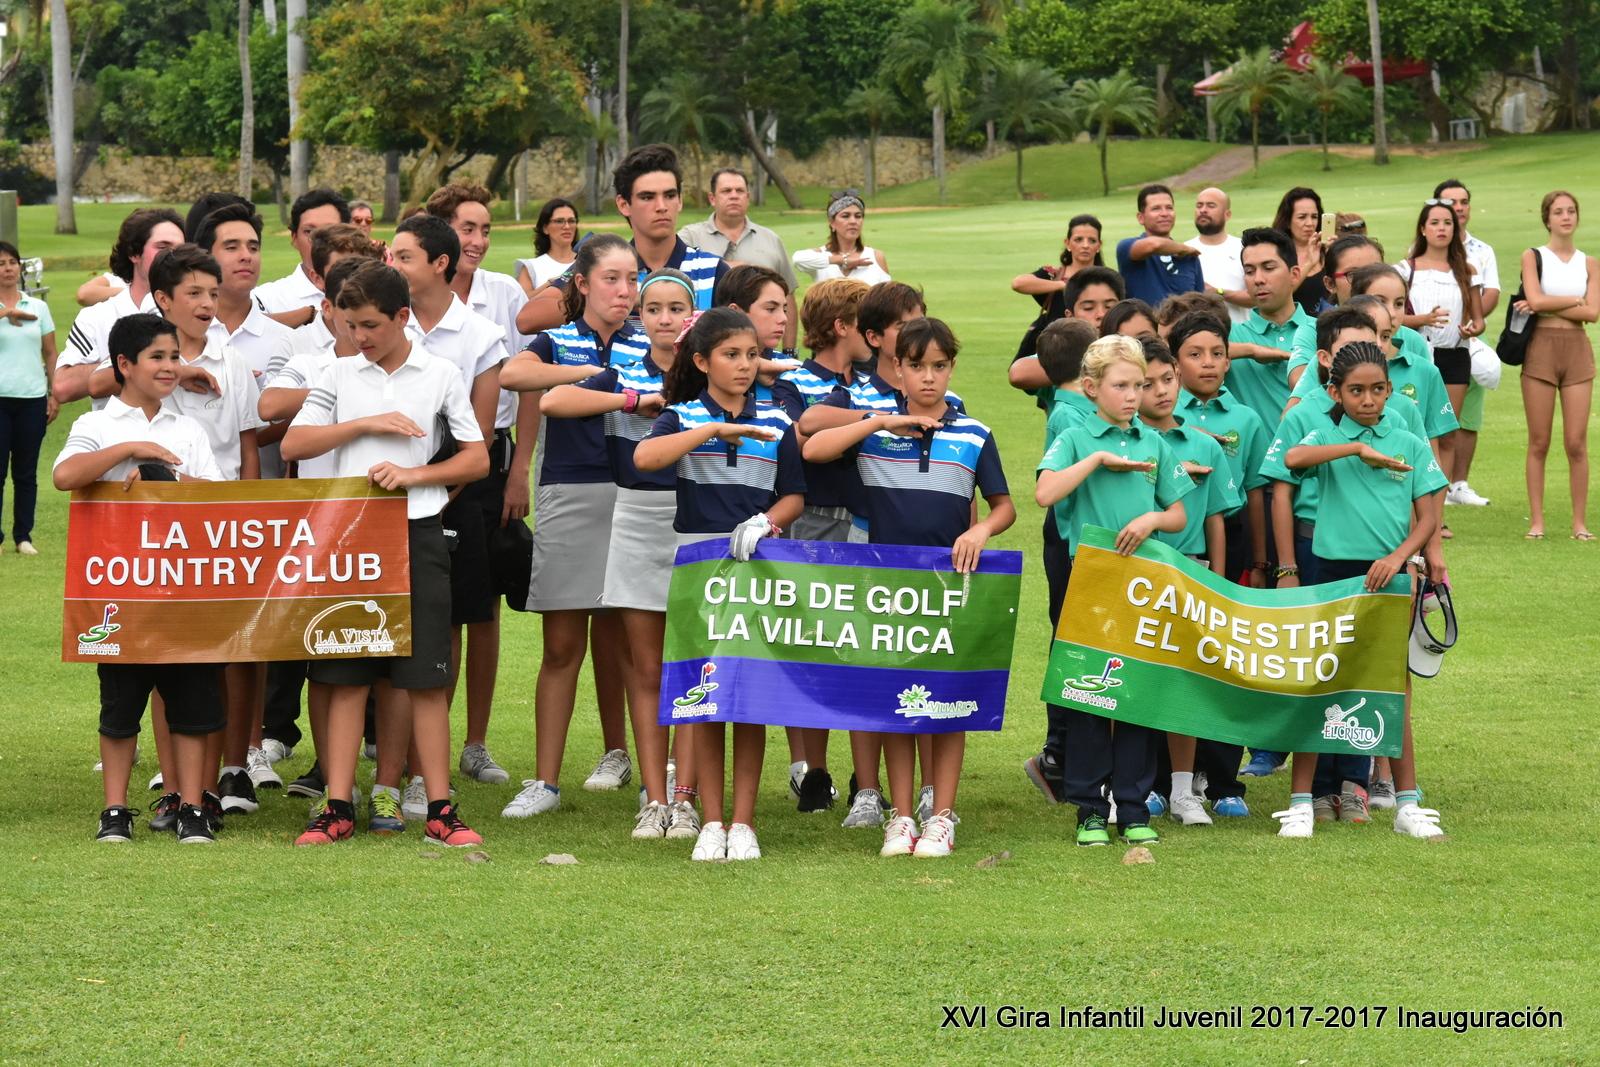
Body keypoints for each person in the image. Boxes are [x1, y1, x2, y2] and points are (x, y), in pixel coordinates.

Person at [282, 260, 490, 847]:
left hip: (418, 534)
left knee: (424, 678)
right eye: (350, 326)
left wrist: (414, 474)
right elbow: (295, 442)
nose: (359, 336)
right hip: (349, 540)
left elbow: (476, 459)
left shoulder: (441, 373)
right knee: (346, 675)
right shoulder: (337, 373)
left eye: (370, 325)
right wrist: (364, 424)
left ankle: (441, 810)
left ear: (402, 317)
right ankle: (337, 807)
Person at [803, 317, 1014, 858]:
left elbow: (1004, 507)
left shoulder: (974, 433)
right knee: (892, 702)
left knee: (947, 702)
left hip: (947, 588)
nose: (928, 377)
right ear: (897, 369)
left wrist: (980, 530)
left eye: (939, 366)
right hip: (886, 588)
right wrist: (879, 421)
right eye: (916, 366)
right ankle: (900, 817)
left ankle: (941, 817)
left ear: (952, 369)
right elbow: (814, 449)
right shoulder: (876, 430)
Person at [635, 307, 806, 861]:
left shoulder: (777, 420)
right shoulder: (682, 415)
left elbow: (794, 495)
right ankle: (710, 820)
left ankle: (743, 823)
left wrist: (767, 523)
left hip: (757, 565)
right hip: (699, 568)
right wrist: (711, 430)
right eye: (731, 355)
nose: (745, 364)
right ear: (703, 361)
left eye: (752, 355)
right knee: (705, 694)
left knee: (749, 695)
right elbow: (645, 458)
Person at [53, 313, 226, 844]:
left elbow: (220, 500)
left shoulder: (188, 429)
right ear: (124, 365)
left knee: (191, 705)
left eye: (174, 357)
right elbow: (65, 475)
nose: (170, 367)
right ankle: (115, 809)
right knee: (120, 706)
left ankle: (192, 807)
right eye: (158, 357)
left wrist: (167, 478)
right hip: (120, 596)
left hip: (183, 593)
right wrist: (131, 449)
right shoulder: (98, 426)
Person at [542, 269, 697, 840]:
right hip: (634, 519)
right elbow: (554, 399)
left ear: (691, 316)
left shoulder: (707, 370)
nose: (664, 319)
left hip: (694, 522)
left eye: (676, 308)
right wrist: (632, 399)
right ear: (642, 316)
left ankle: (684, 794)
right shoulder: (625, 370)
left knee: (691, 667)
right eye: (653, 309)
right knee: (646, 666)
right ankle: (655, 798)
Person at [499, 234, 650, 818]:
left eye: (631, 279)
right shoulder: (557, 339)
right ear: (581, 284)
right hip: (569, 491)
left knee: (635, 644)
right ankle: (545, 782)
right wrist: (591, 371)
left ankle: (651, 779)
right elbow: (514, 374)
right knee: (563, 645)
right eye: (611, 278)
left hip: (640, 497)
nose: (624, 290)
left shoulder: (650, 339)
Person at [1277, 341, 1447, 841]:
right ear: (1336, 392)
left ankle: (1408, 803)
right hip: (1332, 573)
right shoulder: (1326, 434)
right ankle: (1301, 803)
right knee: (1320, 680)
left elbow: (1428, 516)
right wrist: (1354, 448)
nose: (1368, 399)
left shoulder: (1409, 440)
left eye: (1377, 389)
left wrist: (1399, 558)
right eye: (1356, 391)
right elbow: (1293, 457)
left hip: (1389, 576)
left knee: (1393, 685)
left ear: (1390, 390)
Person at [1034, 335, 1193, 847]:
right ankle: (1088, 809)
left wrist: (1151, 520)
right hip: (1091, 581)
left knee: (1135, 696)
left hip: (1141, 586)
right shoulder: (1075, 436)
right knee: (1089, 694)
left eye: (1138, 386)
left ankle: (1132, 806)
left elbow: (1179, 512)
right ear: (1090, 387)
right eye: (1121, 386)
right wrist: (1098, 458)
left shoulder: (1153, 442)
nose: (1132, 396)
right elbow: (1045, 492)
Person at [425, 183, 538, 787]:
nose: (478, 240)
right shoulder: (414, 296)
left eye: (486, 229)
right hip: (429, 458)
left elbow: (528, 386)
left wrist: (518, 471)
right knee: (438, 607)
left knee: (485, 604)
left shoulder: (505, 294)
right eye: (467, 228)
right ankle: (427, 748)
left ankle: (476, 743)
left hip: (492, 461)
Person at [770, 277, 875, 811]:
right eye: (866, 324)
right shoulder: (793, 383)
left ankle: (866, 778)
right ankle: (814, 772)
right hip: (811, 521)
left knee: (863, 644)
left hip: (868, 521)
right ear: (842, 326)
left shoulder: (876, 382)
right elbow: (799, 442)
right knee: (810, 642)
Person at [1137, 335, 1244, 826]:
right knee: (1143, 683)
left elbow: (1217, 516)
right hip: (1140, 573)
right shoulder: (1127, 443)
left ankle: (1184, 789)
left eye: (1167, 379)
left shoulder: (1204, 444)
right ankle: (1145, 786)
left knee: (1188, 684)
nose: (1161, 391)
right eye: (1147, 383)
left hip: (1193, 571)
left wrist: (1216, 578)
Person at [517, 145, 729, 335]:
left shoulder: (713, 271)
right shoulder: (600, 266)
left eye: (670, 195)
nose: (661, 206)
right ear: (623, 204)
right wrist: (611, 298)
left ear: (680, 201)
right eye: (647, 197)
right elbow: (527, 320)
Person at [1020, 316, 1097, 806]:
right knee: (1071, 644)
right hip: (1074, 541)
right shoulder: (1071, 416)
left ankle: (1065, 754)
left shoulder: (1068, 403)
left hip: (1077, 539)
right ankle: (1057, 756)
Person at [190, 201, 298, 489]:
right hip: (183, 495)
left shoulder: (285, 339)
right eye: (231, 247)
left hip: (265, 498)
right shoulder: (179, 334)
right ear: (205, 257)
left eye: (253, 247)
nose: (246, 256)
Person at [1169, 312, 1271, 588]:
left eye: (1217, 354)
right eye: (1195, 355)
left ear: (1228, 362)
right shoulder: (1164, 414)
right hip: (1174, 532)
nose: (1208, 363)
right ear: (1175, 364)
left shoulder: (1247, 419)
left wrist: (1259, 563)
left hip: (1231, 532)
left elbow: (1255, 491)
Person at [1518, 190, 1597, 541]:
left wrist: (1551, 303)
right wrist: (1574, 300)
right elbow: (1534, 300)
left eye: (1571, 211)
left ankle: (1579, 523)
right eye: (1558, 212)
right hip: (1541, 349)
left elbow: (1592, 312)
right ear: (1547, 219)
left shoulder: (1589, 263)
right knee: (1539, 441)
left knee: (1576, 442)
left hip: (1577, 350)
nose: (1566, 217)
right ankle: (1537, 521)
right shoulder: (1533, 256)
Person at [1394, 199, 1485, 483]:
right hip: (1416, 355)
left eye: (1447, 223)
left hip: (1455, 355)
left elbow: (1479, 320)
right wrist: (1423, 319)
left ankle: (1439, 499)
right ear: (1423, 229)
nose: (1441, 228)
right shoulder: (1405, 269)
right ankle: (1414, 494)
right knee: (1416, 428)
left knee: (1446, 432)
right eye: (1434, 223)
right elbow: (1391, 317)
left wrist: (1471, 329)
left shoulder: (1466, 270)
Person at [54, 209, 184, 405]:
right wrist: (135, 362)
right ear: (134, 253)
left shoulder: (199, 313)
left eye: (181, 249)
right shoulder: (97, 316)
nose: (174, 256)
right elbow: (63, 387)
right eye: (163, 247)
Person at [680, 168, 800, 352]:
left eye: (740, 191)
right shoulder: (689, 237)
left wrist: (789, 352)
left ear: (748, 197)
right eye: (726, 191)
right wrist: (732, 267)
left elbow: (788, 297)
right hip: (705, 348)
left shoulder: (771, 240)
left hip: (762, 350)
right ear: (712, 198)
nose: (734, 196)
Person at [1434, 179, 1498, 507]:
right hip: (1434, 337)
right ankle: (1436, 485)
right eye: (1451, 203)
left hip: (1471, 335)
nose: (1458, 208)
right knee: (1435, 412)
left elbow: (1492, 293)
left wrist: (1471, 318)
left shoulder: (1482, 251)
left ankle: (1459, 485)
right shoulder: (1421, 250)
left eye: (1463, 202)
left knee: (1469, 413)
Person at [0, 240, 57, 558]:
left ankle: (23, 536)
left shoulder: (38, 307)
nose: (8, 268)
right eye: (1, 263)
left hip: (32, 399)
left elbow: (50, 352)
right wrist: (6, 313)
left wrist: (54, 392)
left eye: (12, 262)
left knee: (25, 473)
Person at [1226, 227, 1316, 431]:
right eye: (1249, 271)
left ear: (1294, 275)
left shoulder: (1324, 331)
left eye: (1268, 268)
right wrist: (1251, 350)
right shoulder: (1231, 336)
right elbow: (1178, 356)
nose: (1258, 279)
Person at [1010, 265, 1124, 382]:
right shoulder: (1065, 350)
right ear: (1070, 316)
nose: (1101, 314)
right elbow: (1018, 374)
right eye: (1088, 308)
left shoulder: (1129, 345)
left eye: (1109, 306)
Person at [254, 188, 352, 324]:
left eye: (330, 230)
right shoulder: (267, 299)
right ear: (294, 238)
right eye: (309, 231)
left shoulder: (372, 292)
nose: (319, 240)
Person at [1012, 214, 1106, 336]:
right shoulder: (1053, 275)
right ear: (1067, 243)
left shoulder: (1108, 280)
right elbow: (1018, 283)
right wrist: (1063, 285)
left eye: (1092, 240)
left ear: (1099, 245)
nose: (1085, 245)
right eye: (1078, 240)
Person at [1115, 184, 1202, 308]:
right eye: (1156, 208)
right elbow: (1154, 245)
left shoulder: (1189, 258)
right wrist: (1184, 248)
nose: (1165, 213)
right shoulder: (1128, 247)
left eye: (1169, 208)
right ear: (1141, 218)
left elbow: (1200, 303)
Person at [792, 189, 890, 285]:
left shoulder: (876, 256)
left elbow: (888, 293)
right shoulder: (821, 256)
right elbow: (797, 259)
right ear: (832, 223)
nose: (853, 221)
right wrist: (842, 260)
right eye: (845, 216)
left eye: (858, 216)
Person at [1185, 187, 1251, 325]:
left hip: (1237, 333)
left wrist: (1218, 292)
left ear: (1227, 214)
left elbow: (1256, 298)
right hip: (1195, 333)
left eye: (1211, 205)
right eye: (1199, 205)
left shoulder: (1243, 249)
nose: (1203, 210)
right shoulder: (1184, 251)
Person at [1271, 186, 1328, 315]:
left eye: (1314, 217)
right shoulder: (1277, 254)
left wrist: (1335, 256)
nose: (1310, 223)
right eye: (1302, 217)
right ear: (1287, 221)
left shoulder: (1326, 250)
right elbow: (1279, 296)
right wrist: (1309, 264)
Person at [515, 198, 578, 296]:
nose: (567, 226)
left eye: (571, 221)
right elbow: (522, 302)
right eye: (559, 221)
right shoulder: (531, 267)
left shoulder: (588, 263)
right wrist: (551, 285)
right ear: (545, 228)